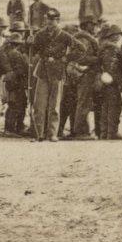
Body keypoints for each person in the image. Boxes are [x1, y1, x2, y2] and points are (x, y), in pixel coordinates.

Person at [30, 8, 74, 142]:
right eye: (48, 19)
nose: (50, 22)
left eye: (53, 20)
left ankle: (52, 134)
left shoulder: (65, 35)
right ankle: (39, 134)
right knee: (39, 105)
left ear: (58, 21)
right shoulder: (39, 34)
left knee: (54, 106)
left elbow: (80, 49)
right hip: (42, 72)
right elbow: (33, 51)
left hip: (57, 73)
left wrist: (64, 60)